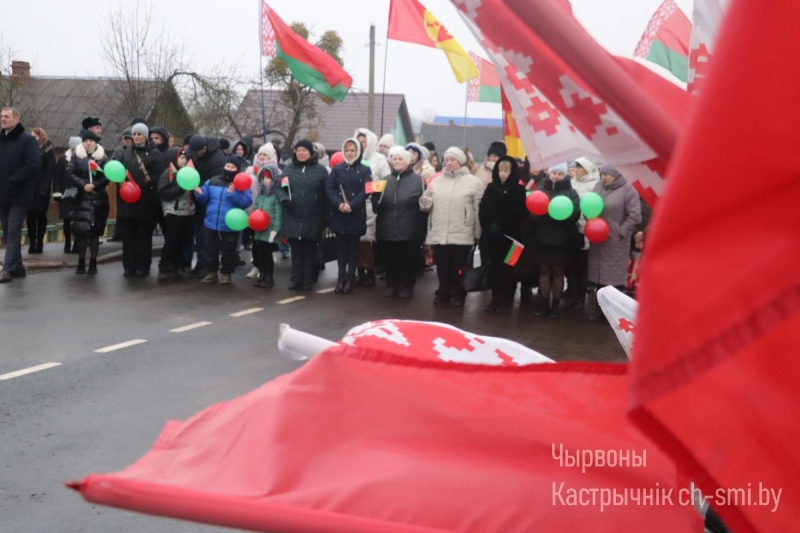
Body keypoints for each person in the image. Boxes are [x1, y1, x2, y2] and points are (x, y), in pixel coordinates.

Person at [419, 147, 484, 306]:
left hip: (462, 232)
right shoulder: (436, 181)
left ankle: (459, 294)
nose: (448, 163)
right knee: (442, 266)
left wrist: (477, 233)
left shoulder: (474, 182)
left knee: (459, 266)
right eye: (446, 160)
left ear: (460, 161)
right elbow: (425, 203)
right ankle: (443, 292)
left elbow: (478, 210)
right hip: (440, 231)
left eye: (452, 160)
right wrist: (424, 202)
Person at [586, 165, 642, 319]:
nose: (603, 177)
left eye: (607, 175)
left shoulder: (627, 189)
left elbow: (635, 216)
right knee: (598, 276)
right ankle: (599, 309)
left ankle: (612, 313)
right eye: (602, 174)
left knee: (612, 278)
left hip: (615, 241)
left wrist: (621, 231)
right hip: (597, 237)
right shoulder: (599, 186)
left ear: (616, 175)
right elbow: (590, 206)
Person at [525, 164, 581, 319]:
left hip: (562, 240)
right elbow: (531, 213)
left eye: (559, 173)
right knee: (543, 271)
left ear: (565, 176)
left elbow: (575, 213)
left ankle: (555, 306)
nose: (556, 176)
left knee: (558, 272)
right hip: (542, 238)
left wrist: (557, 215)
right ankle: (543, 305)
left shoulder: (571, 192)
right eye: (553, 173)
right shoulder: (540, 190)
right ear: (548, 175)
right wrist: (544, 215)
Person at [373, 146, 428, 298]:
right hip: (387, 227)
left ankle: (407, 286)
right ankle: (392, 284)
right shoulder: (384, 181)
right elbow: (375, 198)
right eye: (394, 159)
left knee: (408, 259)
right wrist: (375, 201)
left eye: (400, 159)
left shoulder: (418, 180)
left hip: (410, 228)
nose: (397, 162)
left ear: (408, 161)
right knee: (390, 258)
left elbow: (425, 202)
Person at [275, 140, 328, 291]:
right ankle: (296, 279)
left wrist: (326, 217)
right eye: (298, 150)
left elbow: (326, 194)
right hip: (293, 215)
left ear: (311, 152)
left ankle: (308, 280)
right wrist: (284, 199)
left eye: (304, 150)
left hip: (313, 216)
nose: (301, 153)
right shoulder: (289, 169)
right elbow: (279, 188)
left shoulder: (320, 170)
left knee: (309, 250)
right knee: (296, 251)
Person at [193, 154, 252, 284]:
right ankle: (212, 272)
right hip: (211, 222)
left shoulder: (241, 184)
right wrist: (200, 194)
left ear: (237, 169)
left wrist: (233, 194)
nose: (229, 168)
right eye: (227, 166)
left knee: (228, 251)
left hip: (230, 224)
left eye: (232, 167)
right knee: (210, 250)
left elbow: (246, 202)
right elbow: (205, 198)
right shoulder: (212, 181)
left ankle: (226, 274)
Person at [117, 122, 165, 277]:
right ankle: (128, 267)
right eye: (135, 134)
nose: (136, 137)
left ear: (145, 136)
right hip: (127, 201)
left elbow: (161, 175)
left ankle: (142, 267)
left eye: (140, 134)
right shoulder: (126, 152)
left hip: (145, 201)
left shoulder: (154, 153)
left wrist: (148, 182)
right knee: (128, 237)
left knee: (144, 237)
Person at [479, 156, 526, 312]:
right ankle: (495, 299)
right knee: (493, 268)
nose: (503, 174)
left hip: (511, 239)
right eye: (500, 170)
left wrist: (501, 224)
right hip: (492, 239)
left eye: (506, 171)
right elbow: (483, 210)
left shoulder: (519, 190)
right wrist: (488, 227)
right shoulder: (491, 188)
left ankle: (505, 301)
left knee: (508, 270)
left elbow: (518, 212)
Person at [0, 108, 40, 283]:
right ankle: (18, 268)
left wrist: (13, 180)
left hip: (19, 194)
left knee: (14, 231)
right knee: (8, 233)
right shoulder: (1, 139)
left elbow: (33, 165)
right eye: (1, 116)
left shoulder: (27, 140)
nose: (3, 119)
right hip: (2, 194)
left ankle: (7, 269)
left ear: (16, 120)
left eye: (6, 116)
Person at [326, 137, 370, 294]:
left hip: (355, 214)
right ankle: (341, 278)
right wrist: (338, 204)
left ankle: (350, 278)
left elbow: (366, 190)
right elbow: (329, 188)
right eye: (347, 150)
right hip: (339, 214)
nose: (350, 153)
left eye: (353, 150)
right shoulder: (337, 169)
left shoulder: (365, 170)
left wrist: (352, 205)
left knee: (353, 249)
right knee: (341, 249)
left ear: (358, 152)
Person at [66, 131, 110, 275]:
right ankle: (80, 262)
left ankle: (93, 263)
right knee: (81, 231)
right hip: (81, 198)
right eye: (85, 140)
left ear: (95, 142)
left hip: (97, 199)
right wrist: (83, 185)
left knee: (94, 232)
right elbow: (70, 172)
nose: (88, 143)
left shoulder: (102, 157)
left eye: (91, 140)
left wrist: (95, 185)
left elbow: (108, 175)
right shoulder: (76, 156)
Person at [564, 157, 600, 310]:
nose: (576, 170)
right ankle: (571, 295)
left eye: (579, 167)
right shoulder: (571, 183)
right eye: (575, 167)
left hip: (586, 231)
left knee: (583, 266)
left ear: (587, 168)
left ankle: (580, 298)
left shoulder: (596, 185)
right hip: (571, 230)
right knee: (571, 266)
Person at [187, 135, 225, 278]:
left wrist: (198, 186)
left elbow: (214, 184)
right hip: (199, 197)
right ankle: (201, 264)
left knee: (205, 236)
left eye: (196, 152)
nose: (194, 155)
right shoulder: (200, 154)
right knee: (199, 234)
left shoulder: (216, 161)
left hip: (209, 201)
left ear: (204, 148)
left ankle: (207, 266)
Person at [157, 148, 195, 280]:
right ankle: (163, 267)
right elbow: (163, 193)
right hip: (173, 212)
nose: (184, 161)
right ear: (175, 158)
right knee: (171, 241)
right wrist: (181, 188)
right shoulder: (169, 173)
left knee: (183, 241)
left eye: (186, 158)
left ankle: (179, 266)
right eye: (182, 158)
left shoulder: (191, 173)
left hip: (188, 212)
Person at [251, 167, 282, 288]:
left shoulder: (276, 196)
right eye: (263, 178)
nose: (265, 180)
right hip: (259, 230)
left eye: (268, 178)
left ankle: (269, 278)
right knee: (260, 254)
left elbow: (279, 214)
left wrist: (275, 230)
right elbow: (255, 210)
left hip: (270, 231)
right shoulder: (261, 194)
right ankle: (262, 275)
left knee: (267, 255)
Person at [26, 127, 56, 254]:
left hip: (42, 188)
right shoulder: (27, 150)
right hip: (29, 188)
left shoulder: (49, 151)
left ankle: (40, 243)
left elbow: (50, 172)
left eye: (36, 136)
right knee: (30, 217)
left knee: (41, 217)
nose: (33, 139)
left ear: (41, 137)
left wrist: (44, 187)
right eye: (31, 136)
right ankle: (32, 243)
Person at [54, 136, 82, 253]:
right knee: (67, 220)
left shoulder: (84, 159)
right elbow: (57, 178)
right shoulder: (63, 160)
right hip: (66, 195)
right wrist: (57, 194)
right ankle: (67, 242)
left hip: (79, 195)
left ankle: (76, 243)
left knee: (78, 220)